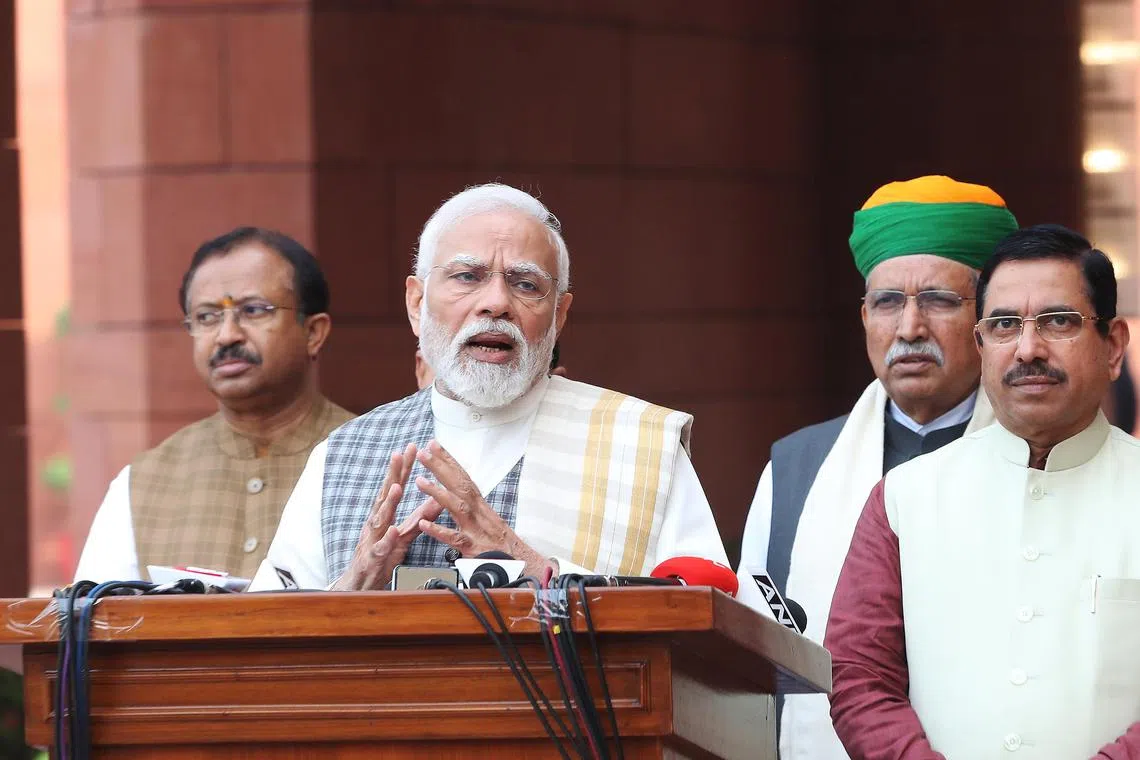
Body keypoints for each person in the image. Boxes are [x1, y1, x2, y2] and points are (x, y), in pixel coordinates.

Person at [250, 183, 751, 601]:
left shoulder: (639, 443)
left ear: (559, 317)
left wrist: (534, 569)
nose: (496, 303)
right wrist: (353, 587)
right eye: (467, 277)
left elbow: (709, 624)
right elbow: (263, 647)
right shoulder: (342, 455)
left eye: (526, 284)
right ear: (416, 303)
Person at [826, 224, 1139, 758]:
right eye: (1003, 325)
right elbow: (858, 675)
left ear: (1112, 347)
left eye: (1058, 321)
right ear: (980, 345)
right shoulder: (904, 499)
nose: (1027, 349)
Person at [736, 175, 1019, 759]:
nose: (910, 328)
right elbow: (760, 659)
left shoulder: (1043, 458)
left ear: (989, 319)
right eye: (888, 302)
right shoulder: (797, 470)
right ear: (864, 316)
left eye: (939, 300)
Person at [74, 228, 354, 583]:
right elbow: (90, 623)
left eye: (253, 311)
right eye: (207, 317)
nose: (227, 335)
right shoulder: (143, 482)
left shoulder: (371, 459)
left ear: (313, 332)